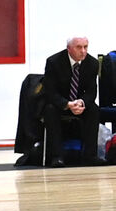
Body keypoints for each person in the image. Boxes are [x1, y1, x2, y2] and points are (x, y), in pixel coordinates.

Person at [41, 35, 102, 167]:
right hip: (59, 103)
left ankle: (90, 155)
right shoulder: (54, 62)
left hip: (78, 103)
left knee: (93, 110)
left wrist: (81, 102)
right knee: (50, 110)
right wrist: (66, 104)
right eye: (79, 47)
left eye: (86, 47)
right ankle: (57, 156)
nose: (83, 51)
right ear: (69, 48)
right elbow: (49, 91)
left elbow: (92, 91)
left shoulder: (92, 63)